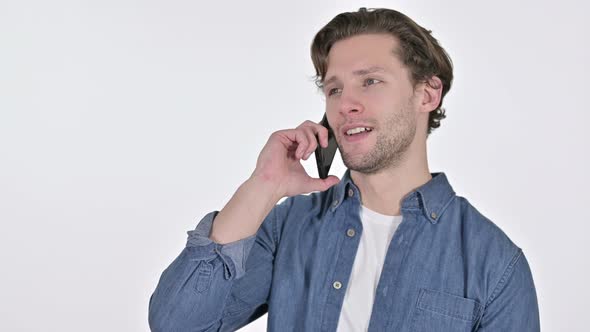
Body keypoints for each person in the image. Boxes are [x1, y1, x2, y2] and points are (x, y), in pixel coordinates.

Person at [148, 7, 540, 332]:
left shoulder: (495, 263)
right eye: (334, 89)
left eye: (370, 81)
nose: (345, 104)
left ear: (427, 94)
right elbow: (177, 324)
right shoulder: (288, 227)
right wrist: (262, 185)